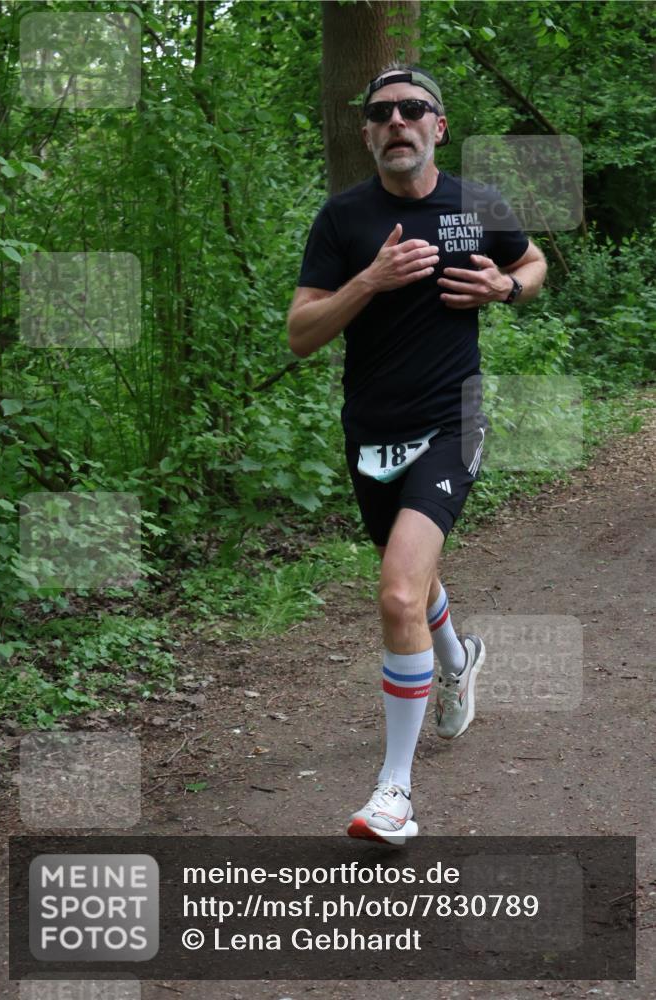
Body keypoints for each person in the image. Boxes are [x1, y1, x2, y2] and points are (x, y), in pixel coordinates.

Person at [287, 65, 547, 845]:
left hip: (451, 421)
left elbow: (532, 264)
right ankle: (456, 657)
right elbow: (301, 335)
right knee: (416, 576)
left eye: (412, 110)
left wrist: (504, 289)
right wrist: (366, 281)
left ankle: (393, 793)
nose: (396, 121)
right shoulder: (343, 220)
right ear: (367, 133)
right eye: (380, 113)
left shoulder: (477, 204)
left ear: (437, 126)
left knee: (398, 592)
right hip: (369, 432)